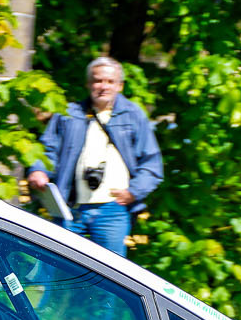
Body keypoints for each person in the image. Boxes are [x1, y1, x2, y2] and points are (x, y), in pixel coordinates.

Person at [25, 56, 163, 256]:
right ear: (88, 84)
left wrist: (134, 192)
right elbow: (48, 149)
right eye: (98, 81)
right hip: (69, 208)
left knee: (111, 270)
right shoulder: (69, 113)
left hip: (113, 211)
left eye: (110, 81)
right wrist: (39, 170)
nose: (103, 86)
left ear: (120, 86)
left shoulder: (133, 115)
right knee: (56, 266)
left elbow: (152, 164)